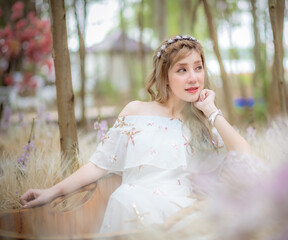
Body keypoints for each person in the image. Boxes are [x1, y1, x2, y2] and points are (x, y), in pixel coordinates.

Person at [20, 35, 251, 232]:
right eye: (182, 69)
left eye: (198, 67)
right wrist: (51, 192)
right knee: (126, 196)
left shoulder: (203, 123)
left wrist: (210, 110)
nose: (193, 78)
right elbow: (98, 165)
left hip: (182, 216)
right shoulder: (136, 112)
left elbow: (244, 154)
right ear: (165, 77)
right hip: (133, 209)